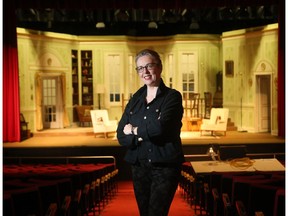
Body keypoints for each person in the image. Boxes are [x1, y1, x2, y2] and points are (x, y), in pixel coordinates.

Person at [117, 49, 185, 216]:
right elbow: (120, 134)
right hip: (139, 166)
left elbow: (161, 129)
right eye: (140, 68)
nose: (145, 72)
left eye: (149, 66)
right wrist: (144, 133)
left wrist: (134, 130)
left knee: (156, 213)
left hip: (164, 167)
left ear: (159, 67)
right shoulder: (135, 100)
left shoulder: (172, 97)